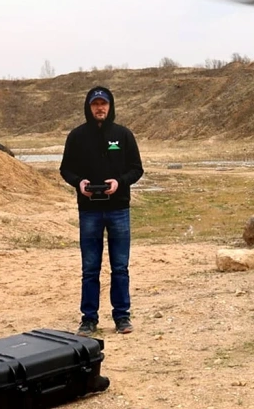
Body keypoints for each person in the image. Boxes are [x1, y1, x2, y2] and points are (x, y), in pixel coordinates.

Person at [59, 86, 144, 336]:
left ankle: (122, 317)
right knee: (90, 268)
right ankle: (89, 319)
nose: (99, 108)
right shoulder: (76, 136)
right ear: (89, 107)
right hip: (89, 211)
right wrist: (79, 183)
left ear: (110, 106)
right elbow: (66, 169)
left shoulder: (123, 135)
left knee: (120, 267)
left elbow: (136, 169)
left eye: (103, 104)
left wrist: (119, 182)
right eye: (95, 104)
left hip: (118, 209)